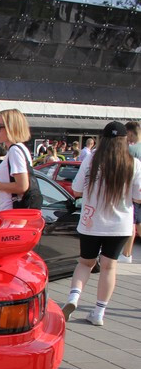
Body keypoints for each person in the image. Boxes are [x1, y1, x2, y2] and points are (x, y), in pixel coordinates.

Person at [62, 121, 141, 326]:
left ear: (102, 140)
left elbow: (77, 188)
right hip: (119, 224)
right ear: (125, 140)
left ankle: (73, 298)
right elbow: (138, 197)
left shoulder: (91, 160)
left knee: (85, 262)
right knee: (108, 267)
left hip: (91, 221)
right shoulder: (133, 164)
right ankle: (98, 312)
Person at [119, 120, 141, 263]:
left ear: (130, 133)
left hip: (134, 190)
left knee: (132, 222)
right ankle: (126, 255)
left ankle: (126, 254)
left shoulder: (131, 150)